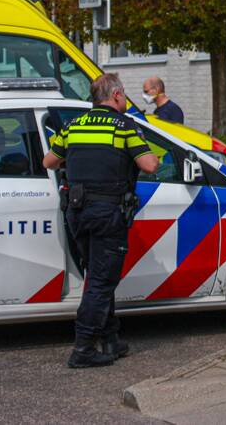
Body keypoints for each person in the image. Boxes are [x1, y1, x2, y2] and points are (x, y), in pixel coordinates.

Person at [43, 73, 159, 368]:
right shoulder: (124, 126)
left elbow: (49, 161)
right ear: (116, 95)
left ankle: (110, 339)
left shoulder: (73, 125)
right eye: (124, 93)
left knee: (97, 275)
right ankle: (83, 349)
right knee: (101, 282)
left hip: (77, 212)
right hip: (107, 212)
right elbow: (149, 165)